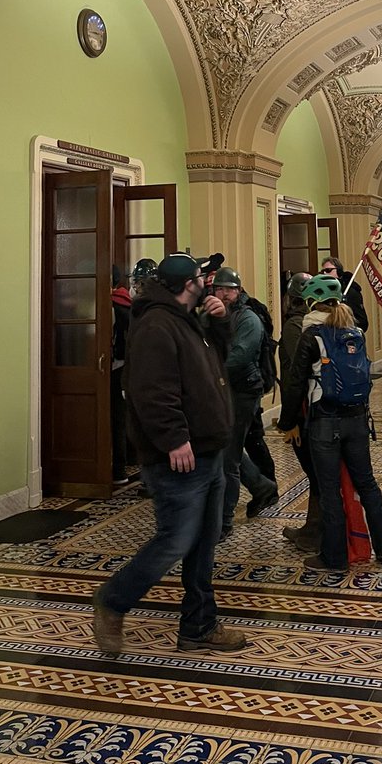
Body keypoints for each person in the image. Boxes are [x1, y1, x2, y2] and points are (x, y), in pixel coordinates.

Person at [92, 253, 247, 656]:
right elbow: (151, 391)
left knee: (203, 543)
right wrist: (175, 438)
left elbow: (217, 363)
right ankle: (113, 599)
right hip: (180, 457)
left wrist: (219, 321)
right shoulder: (157, 326)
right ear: (184, 286)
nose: (206, 284)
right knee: (175, 540)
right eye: (200, 278)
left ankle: (198, 625)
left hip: (208, 450)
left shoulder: (187, 320)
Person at [278, 274, 382, 572]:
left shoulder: (311, 334)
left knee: (329, 490)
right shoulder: (354, 331)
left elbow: (295, 383)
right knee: (367, 483)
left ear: (310, 302)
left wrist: (286, 422)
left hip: (325, 422)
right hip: (357, 418)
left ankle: (334, 557)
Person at [207, 265, 278, 539]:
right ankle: (262, 487)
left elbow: (239, 357)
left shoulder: (249, 319)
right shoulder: (219, 314)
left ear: (238, 290)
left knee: (228, 459)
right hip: (225, 390)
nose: (223, 294)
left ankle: (224, 522)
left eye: (228, 289)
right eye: (219, 289)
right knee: (230, 448)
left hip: (243, 392)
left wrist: (208, 373)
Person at [277, 271, 320, 550]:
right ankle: (313, 528)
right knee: (319, 473)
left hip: (306, 410)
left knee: (315, 473)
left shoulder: (296, 326)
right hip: (324, 408)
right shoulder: (326, 321)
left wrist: (287, 419)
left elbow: (296, 373)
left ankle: (316, 532)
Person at [110, 265, 132, 484]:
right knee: (120, 418)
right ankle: (121, 467)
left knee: (115, 419)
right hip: (126, 366)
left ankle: (117, 469)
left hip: (113, 368)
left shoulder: (110, 305)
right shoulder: (127, 302)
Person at [320, 256, 369, 332]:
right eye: (322, 271)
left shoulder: (350, 292)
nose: (325, 273)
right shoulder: (323, 293)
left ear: (339, 271)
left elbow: (362, 323)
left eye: (328, 270)